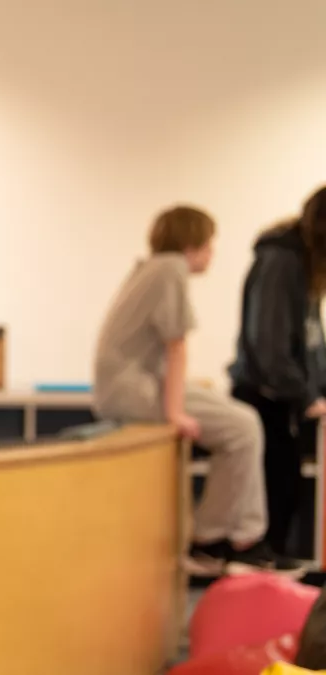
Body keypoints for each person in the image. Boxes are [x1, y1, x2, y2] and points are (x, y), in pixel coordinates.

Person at [92, 205, 300, 576]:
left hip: (132, 384)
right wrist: (175, 414)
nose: (213, 252)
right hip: (133, 389)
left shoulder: (151, 268)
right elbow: (177, 345)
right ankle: (217, 537)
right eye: (210, 244)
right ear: (193, 243)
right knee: (242, 426)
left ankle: (244, 535)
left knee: (245, 422)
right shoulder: (171, 269)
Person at [229, 185, 326, 560]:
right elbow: (268, 342)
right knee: (276, 492)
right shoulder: (281, 260)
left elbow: (311, 341)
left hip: (284, 395)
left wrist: (316, 390)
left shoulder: (304, 263)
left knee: (287, 491)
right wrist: (305, 395)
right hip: (264, 395)